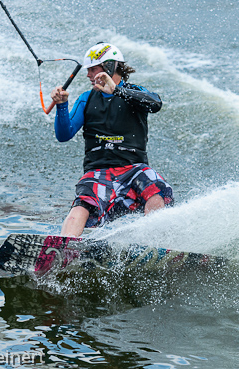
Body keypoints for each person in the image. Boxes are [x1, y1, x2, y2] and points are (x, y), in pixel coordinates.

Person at [50, 42, 174, 237]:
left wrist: (116, 90)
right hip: (98, 171)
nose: (89, 74)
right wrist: (62, 106)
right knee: (82, 205)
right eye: (88, 69)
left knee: (156, 190)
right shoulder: (86, 99)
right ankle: (64, 246)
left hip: (134, 169)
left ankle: (154, 243)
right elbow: (64, 135)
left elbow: (156, 104)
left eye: (93, 69)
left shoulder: (134, 93)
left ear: (109, 67)